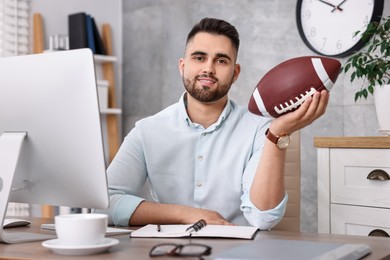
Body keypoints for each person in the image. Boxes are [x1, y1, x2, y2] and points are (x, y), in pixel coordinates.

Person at [98, 17, 329, 229]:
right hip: (167, 251)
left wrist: (277, 133)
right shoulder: (147, 131)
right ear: (182, 66)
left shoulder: (261, 129)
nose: (208, 68)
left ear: (235, 73)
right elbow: (102, 203)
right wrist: (186, 214)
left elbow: (263, 219)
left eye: (221, 60)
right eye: (199, 58)